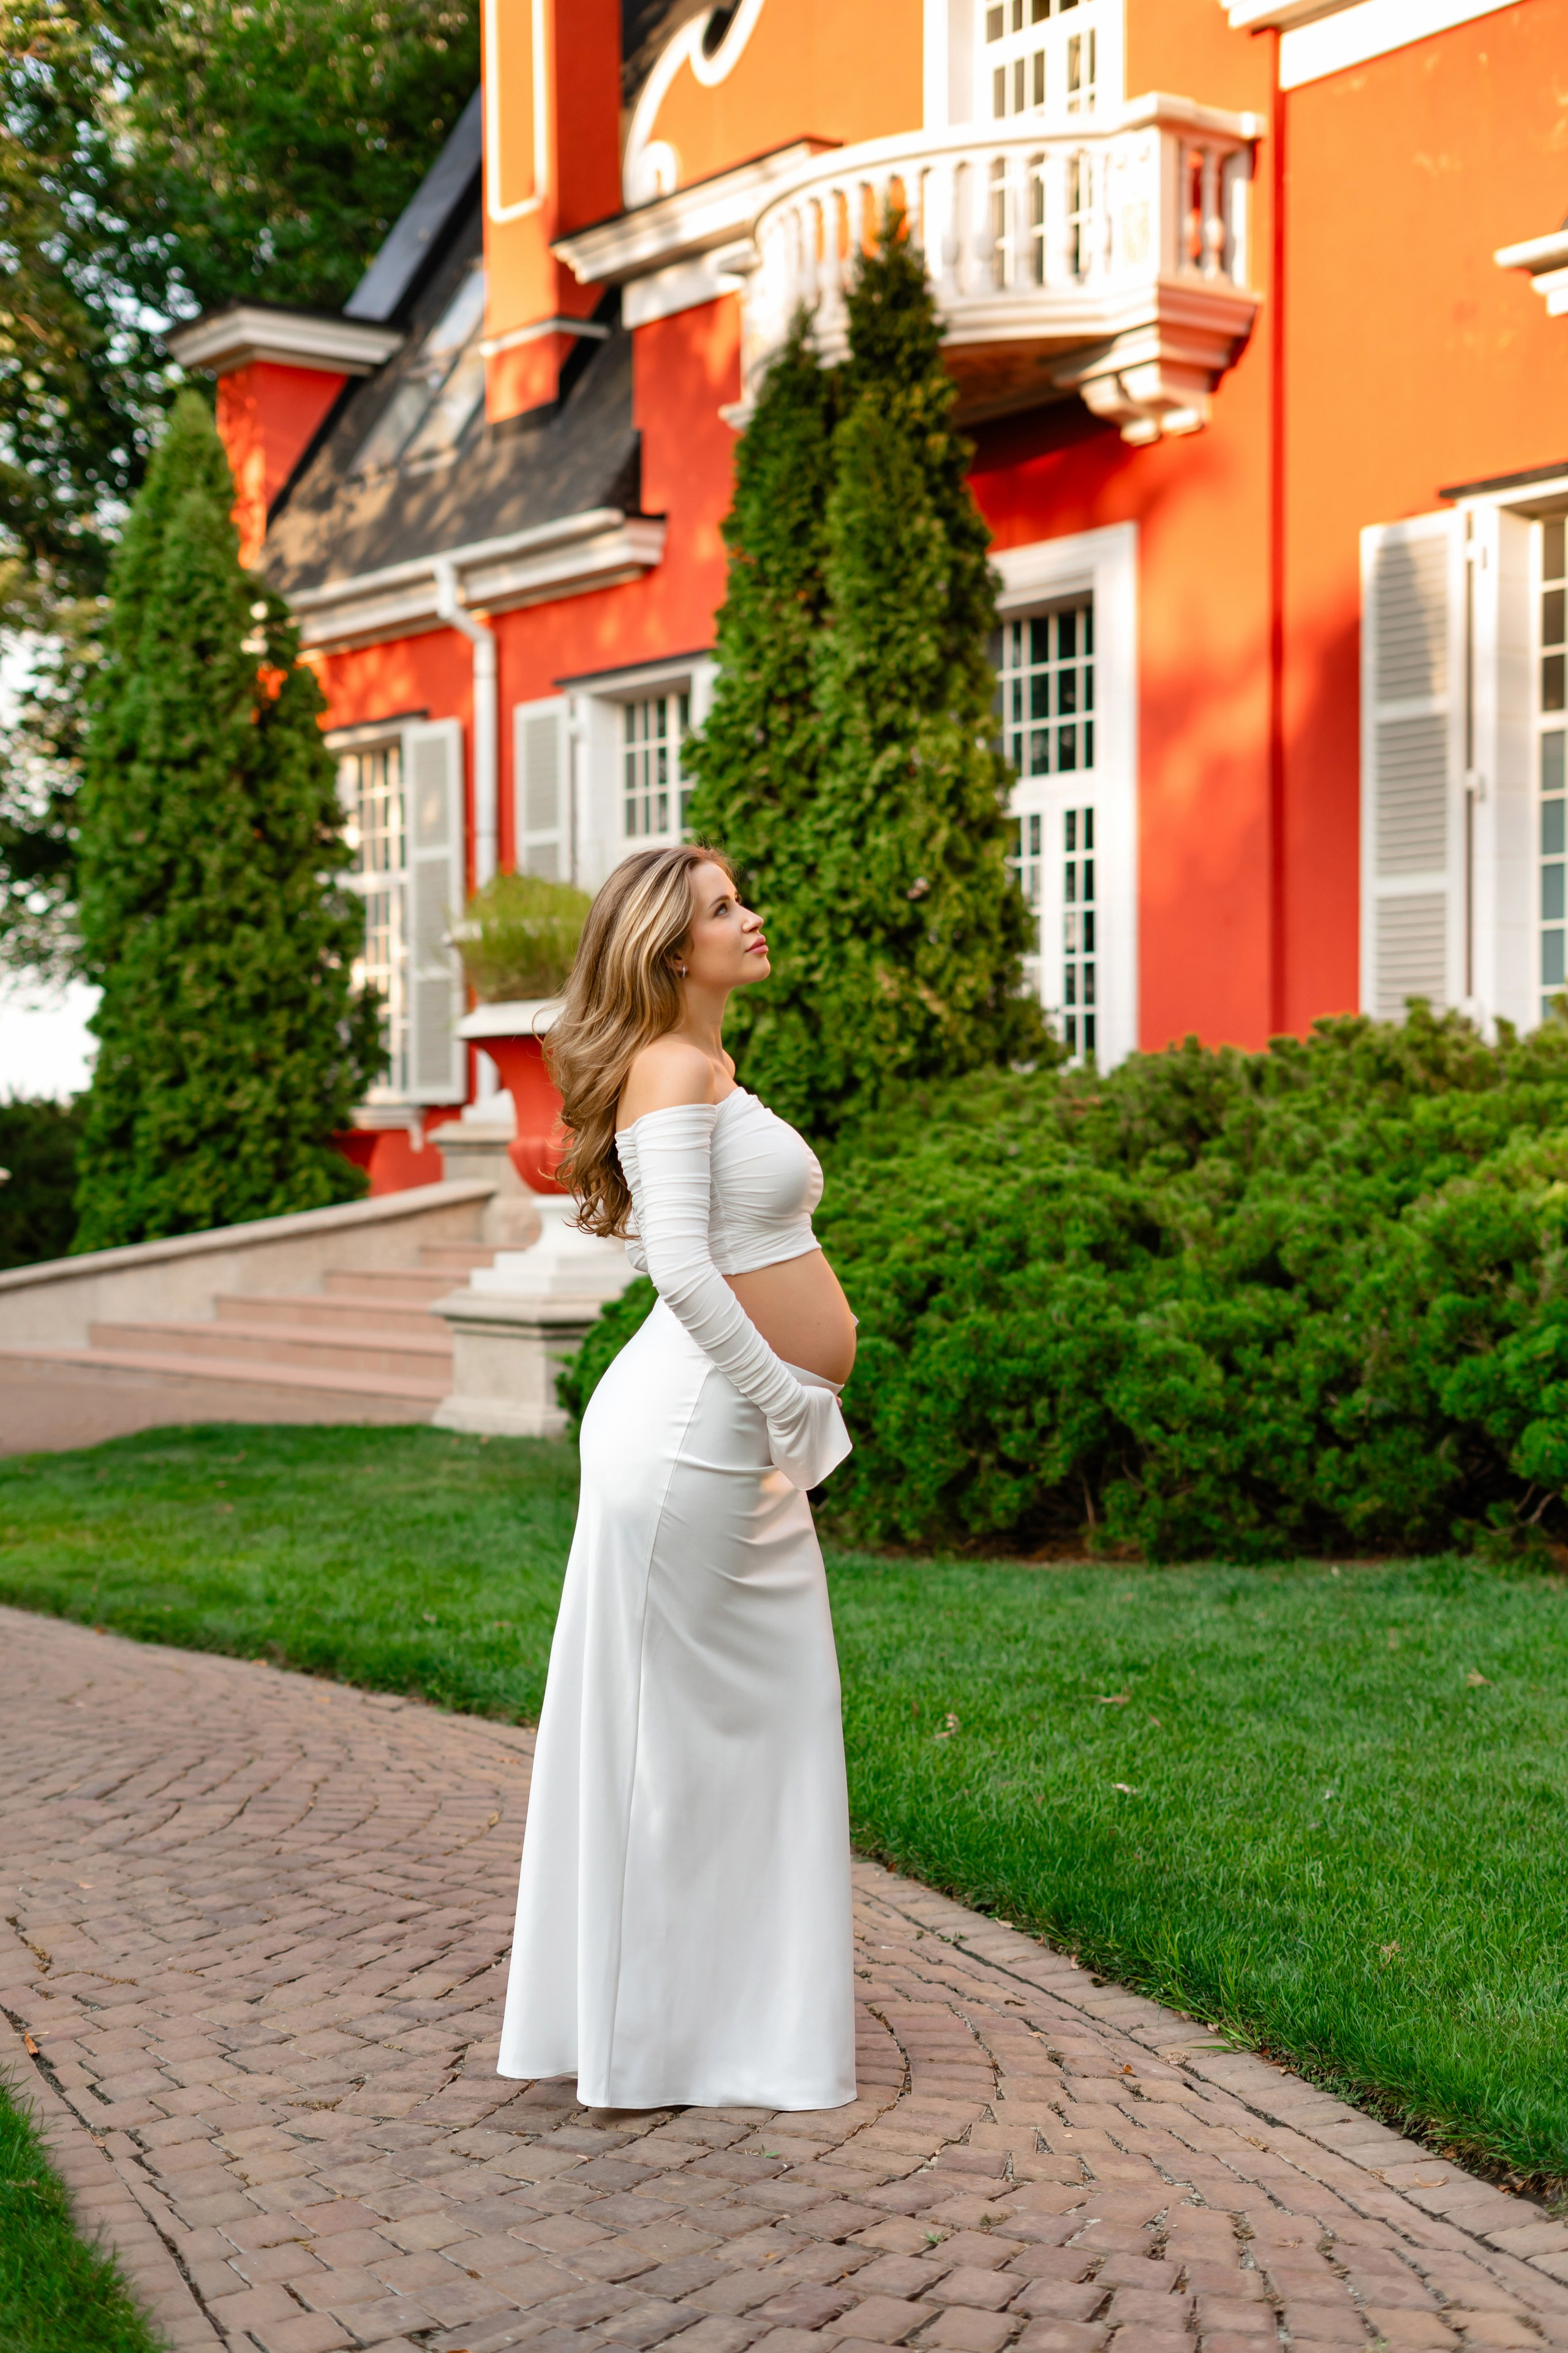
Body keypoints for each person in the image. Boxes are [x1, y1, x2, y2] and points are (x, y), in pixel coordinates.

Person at [497, 842, 859, 2112]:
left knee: (753, 1735)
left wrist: (782, 1413)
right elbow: (681, 1270)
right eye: (722, 908)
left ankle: (731, 2030)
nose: (749, 917)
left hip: (728, 1431)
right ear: (668, 947)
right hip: (695, 1433)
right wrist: (787, 1409)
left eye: (741, 898)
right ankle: (655, 2041)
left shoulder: (709, 1065)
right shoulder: (666, 1067)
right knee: (677, 1744)